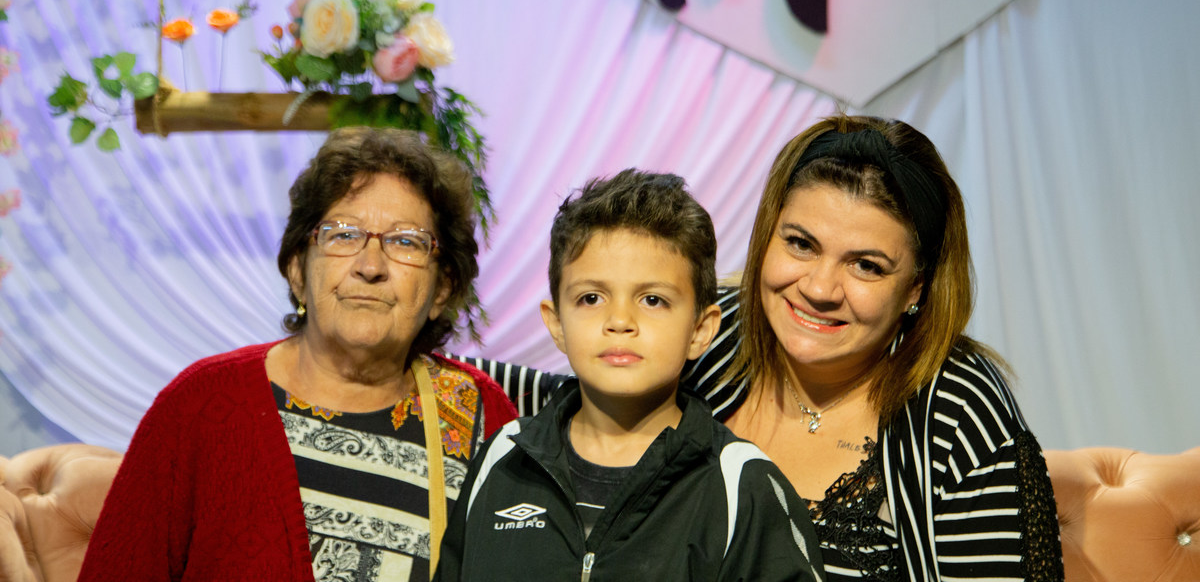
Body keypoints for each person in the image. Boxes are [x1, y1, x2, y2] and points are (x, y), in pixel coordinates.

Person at [459, 116, 1063, 581]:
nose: (820, 288)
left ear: (916, 289)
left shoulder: (955, 408)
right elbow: (569, 391)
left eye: (866, 265)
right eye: (801, 243)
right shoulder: (716, 335)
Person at [79, 128, 517, 582]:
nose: (370, 267)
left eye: (406, 241)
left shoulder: (481, 417)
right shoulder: (199, 406)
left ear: (442, 287)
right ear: (297, 272)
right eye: (342, 235)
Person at [436, 170, 825, 582]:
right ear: (556, 323)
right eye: (591, 298)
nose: (620, 321)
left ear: (700, 330)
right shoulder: (503, 458)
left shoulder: (743, 485)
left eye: (653, 300)